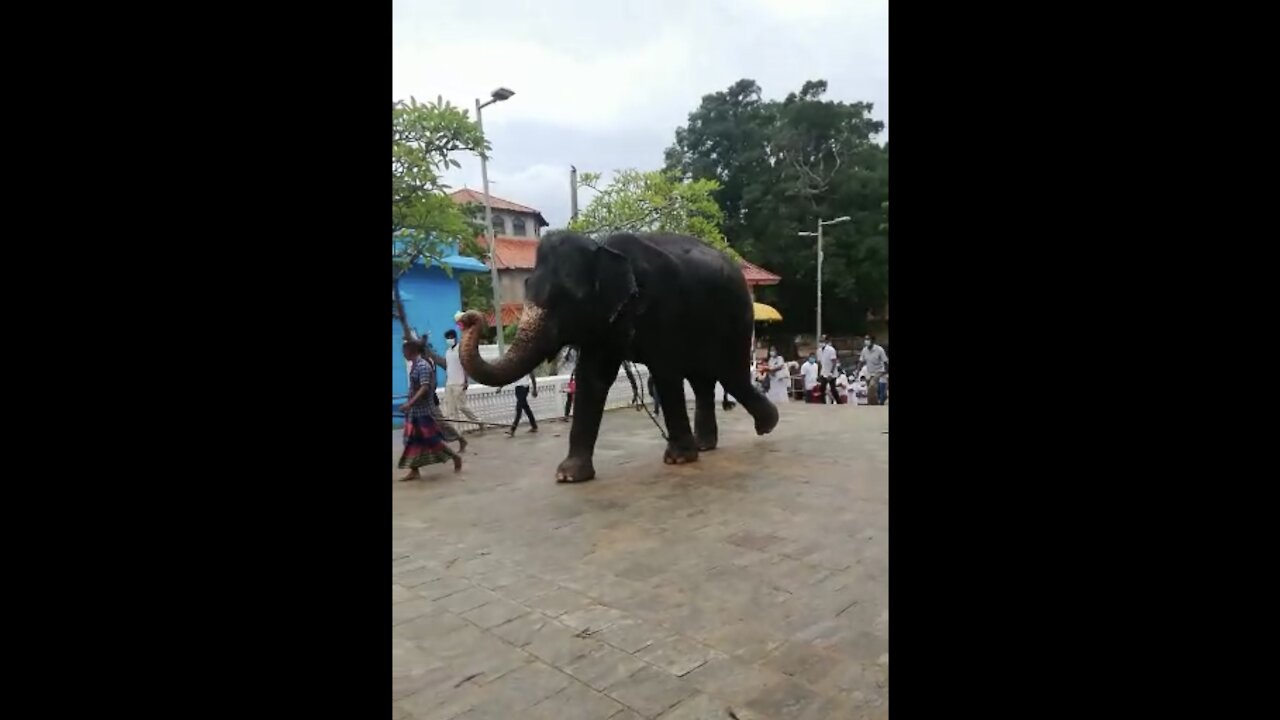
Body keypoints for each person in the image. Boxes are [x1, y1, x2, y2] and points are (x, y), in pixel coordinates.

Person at [397, 340, 463, 480]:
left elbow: (425, 387)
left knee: (432, 440)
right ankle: (414, 470)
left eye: (404, 351)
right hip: (414, 412)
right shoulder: (414, 366)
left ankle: (455, 457)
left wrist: (410, 403)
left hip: (424, 411)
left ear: (411, 351)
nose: (403, 354)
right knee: (410, 440)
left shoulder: (423, 366)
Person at [441, 329, 482, 433]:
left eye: (450, 338)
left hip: (459, 382)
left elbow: (465, 366)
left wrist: (466, 380)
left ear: (455, 338)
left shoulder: (461, 350)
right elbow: (448, 367)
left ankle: (478, 421)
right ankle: (456, 431)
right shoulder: (447, 352)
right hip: (450, 383)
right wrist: (447, 381)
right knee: (451, 409)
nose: (449, 340)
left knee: (461, 406)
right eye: (447, 338)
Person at [503, 372, 539, 436]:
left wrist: (535, 389)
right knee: (526, 408)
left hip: (524, 388)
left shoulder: (527, 365)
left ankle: (512, 429)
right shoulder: (516, 366)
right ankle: (534, 426)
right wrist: (501, 387)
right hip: (518, 389)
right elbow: (508, 377)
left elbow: (532, 376)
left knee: (519, 408)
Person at [859, 335, 889, 405]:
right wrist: (858, 371)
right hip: (869, 372)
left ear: (873, 341)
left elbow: (885, 361)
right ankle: (873, 404)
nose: (866, 341)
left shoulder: (879, 350)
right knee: (870, 390)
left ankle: (873, 403)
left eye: (868, 339)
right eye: (865, 339)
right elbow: (861, 361)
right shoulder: (864, 350)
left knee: (872, 386)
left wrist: (886, 371)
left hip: (879, 371)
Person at [817, 335, 841, 405]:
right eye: (820, 341)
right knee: (822, 388)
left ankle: (839, 402)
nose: (821, 343)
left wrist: (831, 373)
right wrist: (818, 373)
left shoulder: (831, 350)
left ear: (826, 341)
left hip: (831, 373)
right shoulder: (819, 351)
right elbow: (819, 363)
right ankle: (823, 403)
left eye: (822, 341)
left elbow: (834, 362)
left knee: (833, 389)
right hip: (823, 372)